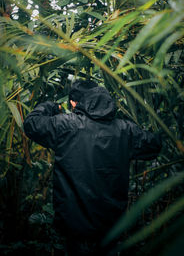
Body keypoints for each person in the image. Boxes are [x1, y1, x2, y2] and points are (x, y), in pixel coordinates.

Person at [23, 79, 161, 256]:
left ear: (74, 102)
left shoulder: (65, 125)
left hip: (75, 231)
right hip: (111, 229)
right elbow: (154, 144)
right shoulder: (125, 130)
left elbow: (31, 124)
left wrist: (51, 107)